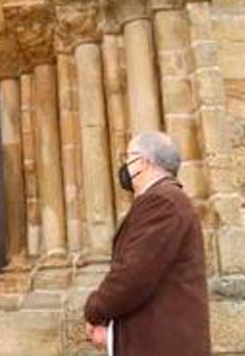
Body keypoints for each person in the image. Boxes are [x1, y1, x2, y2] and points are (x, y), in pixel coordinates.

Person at [83, 131, 209, 355]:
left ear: (142, 162)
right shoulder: (168, 200)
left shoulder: (163, 202)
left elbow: (132, 276)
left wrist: (94, 311)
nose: (125, 168)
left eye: (128, 158)